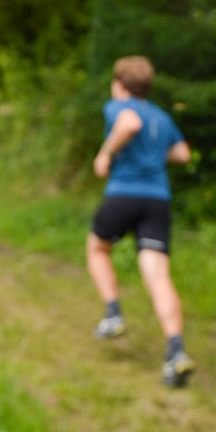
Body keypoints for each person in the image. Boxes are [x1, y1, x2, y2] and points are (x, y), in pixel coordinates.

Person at [86, 56, 195, 387]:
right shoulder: (161, 116)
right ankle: (175, 351)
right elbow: (183, 154)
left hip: (124, 194)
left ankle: (113, 313)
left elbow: (130, 124)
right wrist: (155, 154)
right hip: (157, 200)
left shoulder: (118, 106)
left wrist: (106, 153)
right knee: (158, 275)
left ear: (119, 84)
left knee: (97, 248)